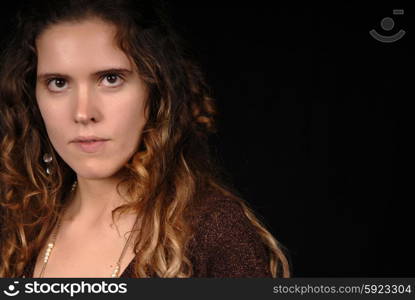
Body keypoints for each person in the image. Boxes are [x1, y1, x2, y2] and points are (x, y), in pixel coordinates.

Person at [0, 0, 290, 278]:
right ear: (31, 96)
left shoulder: (212, 232)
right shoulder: (17, 229)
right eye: (58, 83)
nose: (83, 113)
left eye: (111, 78)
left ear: (156, 89)